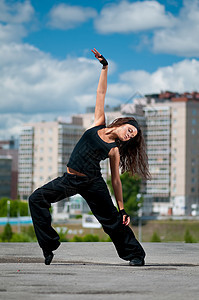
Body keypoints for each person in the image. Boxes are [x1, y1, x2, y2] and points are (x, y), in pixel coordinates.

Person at [29, 48, 151, 266]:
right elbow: (101, 94)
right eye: (129, 129)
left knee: (111, 221)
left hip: (92, 182)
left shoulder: (113, 149)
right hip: (69, 179)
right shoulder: (98, 123)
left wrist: (122, 208)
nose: (129, 134)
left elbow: (115, 180)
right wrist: (105, 67)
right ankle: (49, 245)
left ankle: (135, 255)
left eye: (131, 136)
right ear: (122, 123)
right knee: (36, 199)